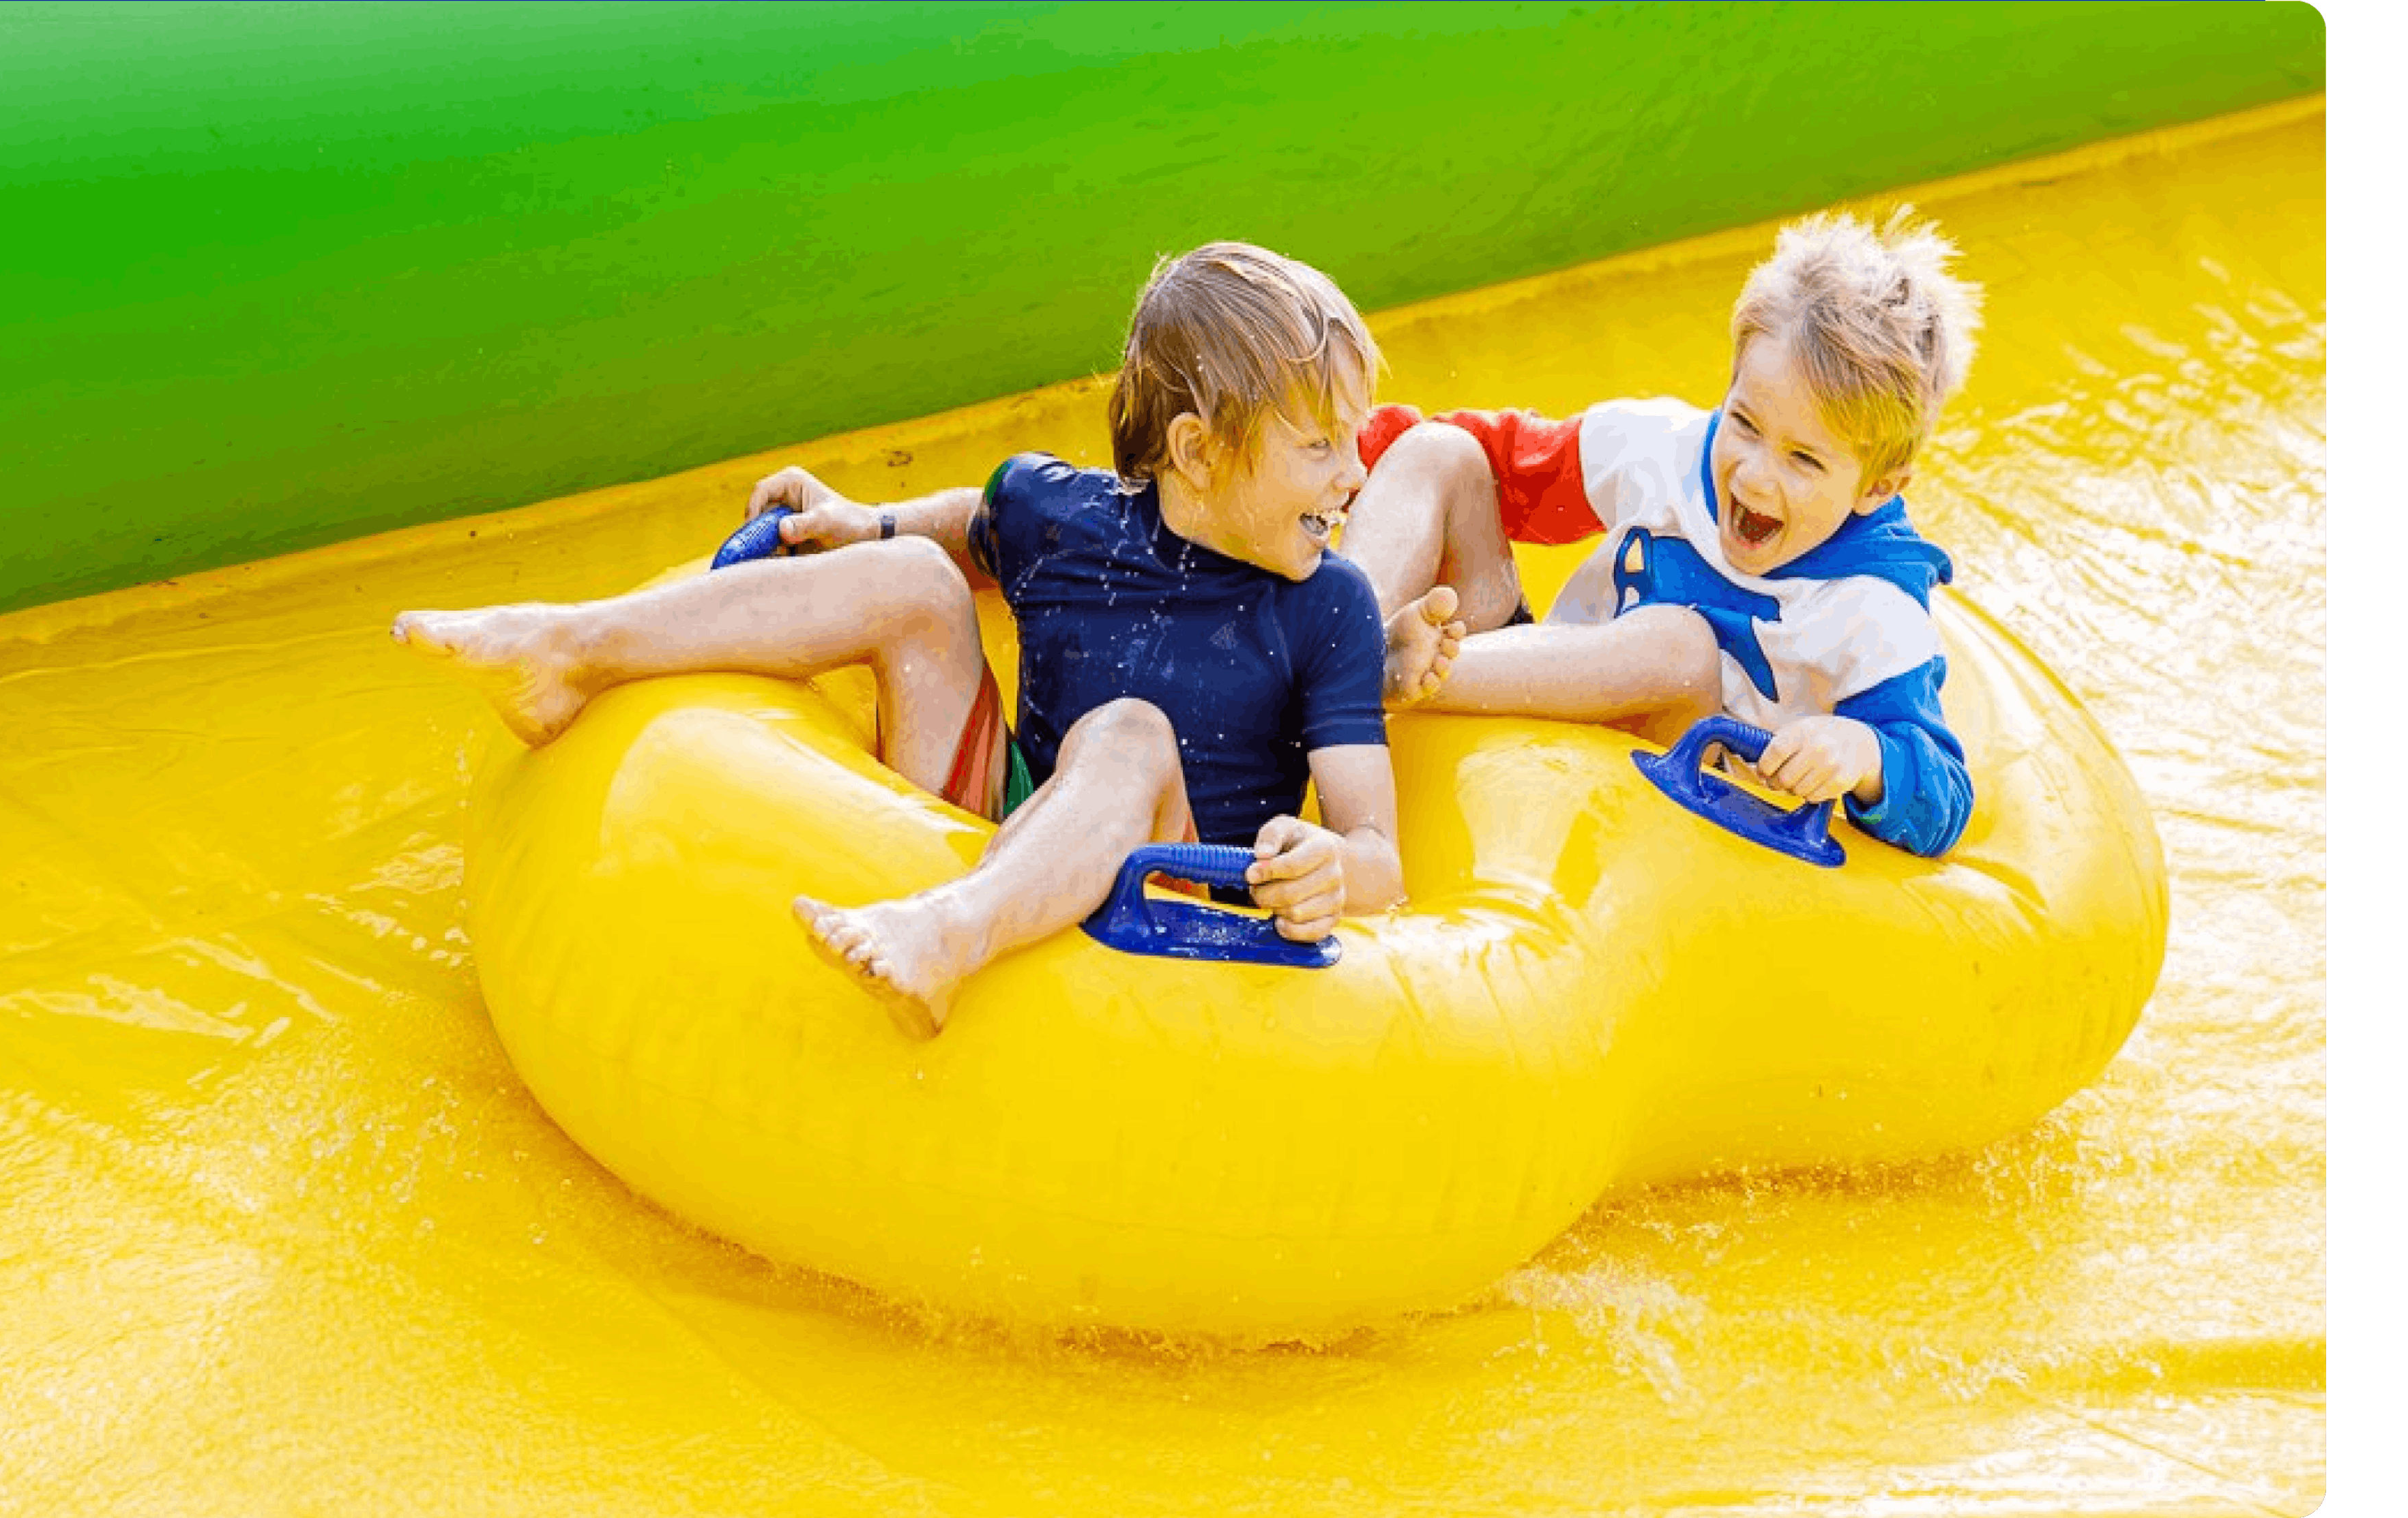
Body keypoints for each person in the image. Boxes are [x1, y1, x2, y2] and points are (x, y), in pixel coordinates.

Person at [395, 242, 1460, 1037]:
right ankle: (568, 644)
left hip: (1173, 895)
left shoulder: (1328, 609)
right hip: (984, 819)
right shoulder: (1062, 512)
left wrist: (1332, 866)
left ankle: (949, 937)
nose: (1351, 474)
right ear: (1195, 449)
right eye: (1320, 445)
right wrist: (873, 524)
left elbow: (1380, 860)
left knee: (1131, 735)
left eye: (1352, 441)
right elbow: (979, 521)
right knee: (915, 582)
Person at [1342, 207, 1982, 858]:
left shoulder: (1873, 610)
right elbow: (1507, 470)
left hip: (1678, 796)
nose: (1756, 476)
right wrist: (1330, 464)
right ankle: (1330, 640)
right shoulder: (1661, 448)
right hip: (1518, 682)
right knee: (1439, 450)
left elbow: (1945, 800)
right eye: (1746, 424)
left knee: (1680, 644)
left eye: (1804, 459)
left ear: (1878, 487)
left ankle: (1371, 675)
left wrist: (1865, 752)